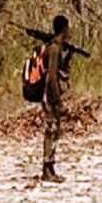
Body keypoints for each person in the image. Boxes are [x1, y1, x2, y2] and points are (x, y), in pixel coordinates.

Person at [42, 15, 71, 183]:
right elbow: (52, 77)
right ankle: (47, 169)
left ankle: (51, 167)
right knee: (51, 131)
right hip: (50, 96)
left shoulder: (58, 47)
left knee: (54, 131)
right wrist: (58, 101)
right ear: (64, 29)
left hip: (52, 95)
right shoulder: (54, 48)